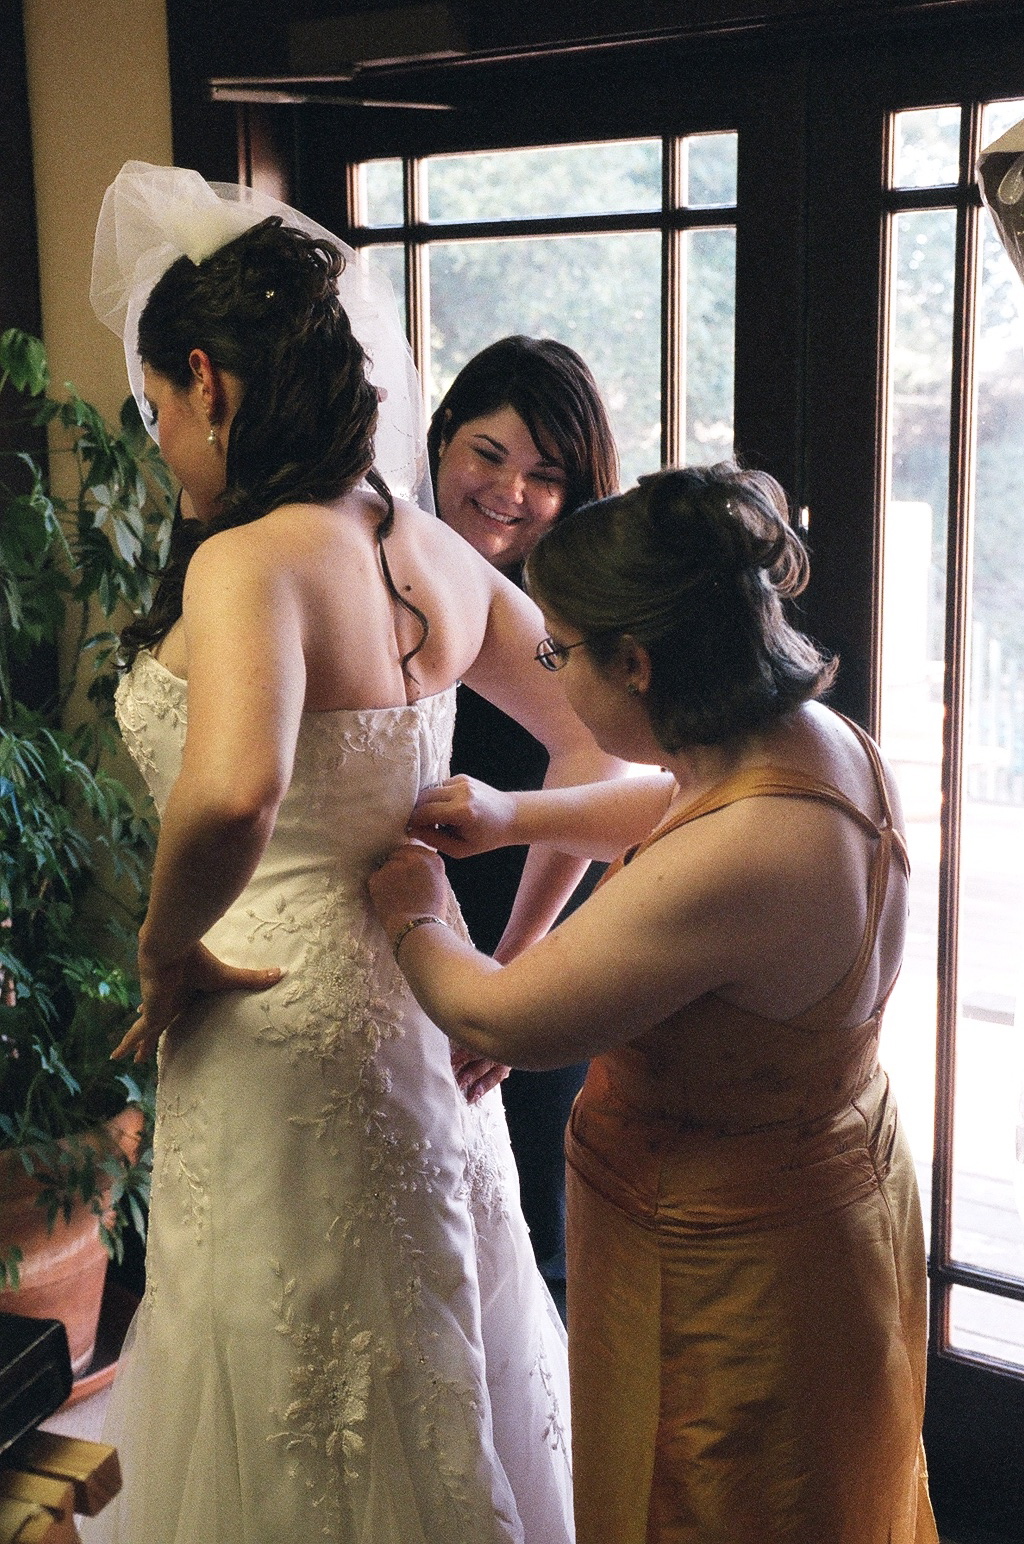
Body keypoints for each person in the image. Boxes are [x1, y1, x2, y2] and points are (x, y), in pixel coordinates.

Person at [83, 162, 620, 1544]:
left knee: (287, 1366)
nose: (161, 442)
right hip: (422, 1007)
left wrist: (163, 949)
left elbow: (232, 798)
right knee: (433, 1343)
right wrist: (510, 961)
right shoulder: (428, 547)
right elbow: (595, 733)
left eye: (157, 409)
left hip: (268, 1019)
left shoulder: (247, 562)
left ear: (208, 381)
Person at [369, 464, 939, 1544]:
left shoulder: (747, 854)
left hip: (733, 1263)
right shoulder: (810, 740)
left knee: (715, 1506)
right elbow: (678, 804)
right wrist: (516, 814)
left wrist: (416, 911)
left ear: (635, 662)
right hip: (822, 1191)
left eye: (559, 652)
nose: (550, 670)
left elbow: (501, 1018)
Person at [428, 338, 618, 1303]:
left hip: (537, 918)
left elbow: (602, 766)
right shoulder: (379, 564)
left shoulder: (574, 613)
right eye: (488, 455)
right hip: (407, 915)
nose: (509, 493)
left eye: (545, 477)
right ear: (440, 439)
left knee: (529, 1227)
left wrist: (516, 971)